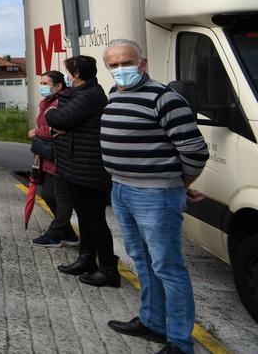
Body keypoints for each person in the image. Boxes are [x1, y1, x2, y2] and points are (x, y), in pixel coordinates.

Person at [100, 39, 208, 354]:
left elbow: (194, 151)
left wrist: (177, 183)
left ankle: (179, 341)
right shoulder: (114, 95)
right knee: (142, 260)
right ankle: (151, 322)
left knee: (168, 267)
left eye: (126, 62)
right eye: (114, 64)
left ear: (142, 63)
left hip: (155, 196)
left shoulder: (165, 99)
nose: (121, 69)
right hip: (121, 189)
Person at [45, 55, 118, 288]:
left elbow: (61, 118)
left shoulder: (90, 95)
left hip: (88, 167)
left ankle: (108, 268)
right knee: (85, 218)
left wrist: (50, 114)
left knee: (95, 220)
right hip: (76, 165)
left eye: (67, 72)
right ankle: (86, 260)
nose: (66, 76)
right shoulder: (81, 94)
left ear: (76, 74)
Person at [27, 71, 78, 248]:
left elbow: (55, 128)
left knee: (60, 198)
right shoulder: (46, 102)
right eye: (40, 83)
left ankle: (55, 234)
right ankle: (68, 234)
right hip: (47, 156)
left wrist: (35, 133)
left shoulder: (62, 102)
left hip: (59, 155)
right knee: (48, 194)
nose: (41, 87)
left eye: (45, 83)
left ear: (58, 86)